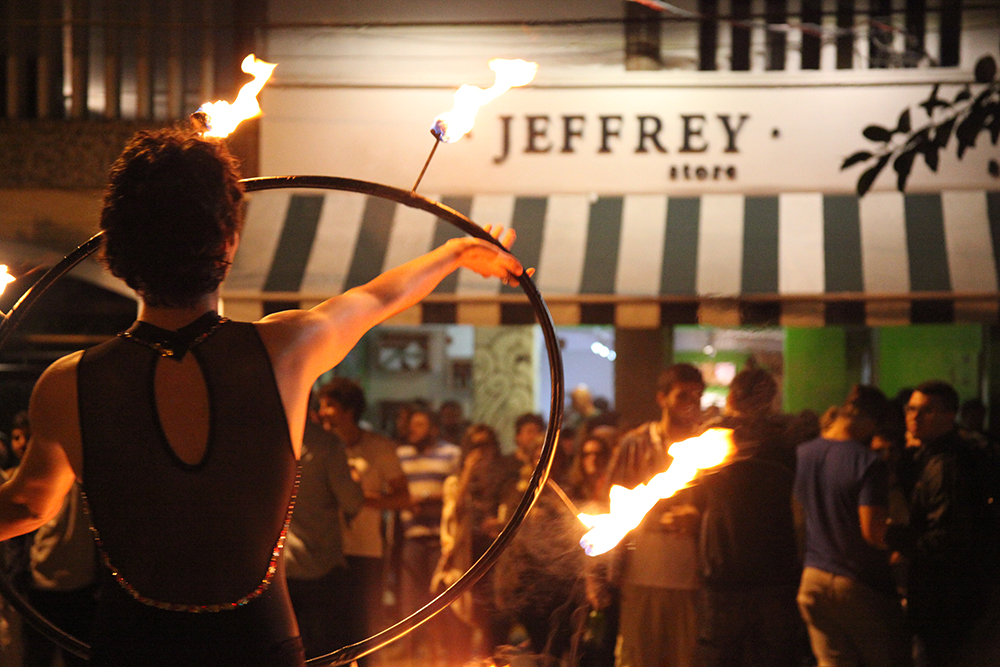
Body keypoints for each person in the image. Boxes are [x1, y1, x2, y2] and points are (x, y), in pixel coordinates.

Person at [0, 127, 526, 667]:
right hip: (259, 648)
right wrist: (453, 253)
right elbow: (375, 299)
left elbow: (23, 506)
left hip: (133, 650)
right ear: (229, 240)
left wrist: (453, 253)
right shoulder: (287, 349)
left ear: (114, 246)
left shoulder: (67, 384)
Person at [691, 368, 803, 667]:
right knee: (774, 657)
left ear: (731, 398)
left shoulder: (713, 439)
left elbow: (695, 496)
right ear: (770, 401)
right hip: (776, 571)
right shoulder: (787, 441)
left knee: (720, 656)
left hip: (724, 570)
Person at [794, 385, 911, 667]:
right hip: (858, 584)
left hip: (812, 579)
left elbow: (798, 519)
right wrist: (911, 541)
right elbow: (873, 532)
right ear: (871, 421)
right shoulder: (867, 462)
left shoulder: (803, 453)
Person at [888, 380, 999, 667]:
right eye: (911, 409)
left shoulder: (946, 464)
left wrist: (892, 537)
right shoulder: (931, 456)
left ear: (949, 415)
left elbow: (946, 537)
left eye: (926, 410)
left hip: (947, 598)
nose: (914, 417)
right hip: (948, 595)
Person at [605, 363, 705, 667]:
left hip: (690, 578)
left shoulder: (707, 447)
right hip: (641, 575)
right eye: (682, 395)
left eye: (697, 396)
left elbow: (719, 508)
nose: (691, 404)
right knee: (638, 659)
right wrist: (652, 519)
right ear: (662, 398)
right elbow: (612, 504)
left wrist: (698, 518)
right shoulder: (635, 444)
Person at [317, 378, 410, 657]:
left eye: (329, 405)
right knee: (327, 632)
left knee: (362, 630)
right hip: (322, 551)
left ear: (349, 411)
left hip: (364, 551)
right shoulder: (318, 447)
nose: (322, 412)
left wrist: (359, 497)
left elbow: (403, 498)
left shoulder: (379, 448)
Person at [284, 402, 364, 659]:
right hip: (320, 562)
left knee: (288, 648)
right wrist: (356, 483)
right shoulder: (325, 444)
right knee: (326, 649)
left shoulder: (263, 442)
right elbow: (351, 501)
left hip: (278, 568)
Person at [396, 406, 462, 663]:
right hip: (412, 537)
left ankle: (446, 656)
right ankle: (414, 657)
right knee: (411, 601)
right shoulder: (401, 455)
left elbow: (456, 493)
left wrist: (426, 498)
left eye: (420, 424)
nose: (412, 429)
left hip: (442, 540)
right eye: (411, 424)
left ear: (434, 429)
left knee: (443, 600)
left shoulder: (451, 454)